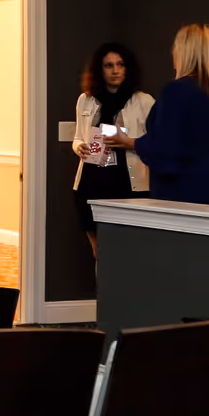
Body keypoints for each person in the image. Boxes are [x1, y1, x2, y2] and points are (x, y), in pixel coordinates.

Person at [114, 23, 209, 206]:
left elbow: (165, 150)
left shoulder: (177, 92)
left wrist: (129, 142)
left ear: (184, 52)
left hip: (183, 192)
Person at [72, 42, 153, 257]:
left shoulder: (143, 101)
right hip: (91, 183)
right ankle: (104, 291)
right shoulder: (86, 100)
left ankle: (124, 290)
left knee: (128, 251)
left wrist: (127, 141)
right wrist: (79, 147)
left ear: (128, 68)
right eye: (109, 65)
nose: (115, 70)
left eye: (120, 64)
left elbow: (155, 143)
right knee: (99, 252)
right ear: (100, 70)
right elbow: (78, 137)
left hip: (127, 185)